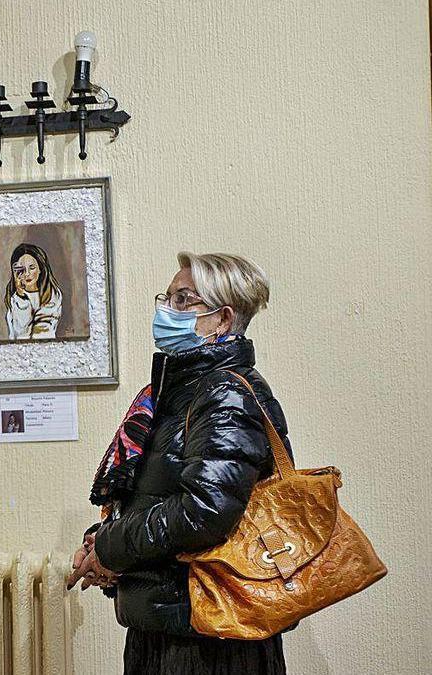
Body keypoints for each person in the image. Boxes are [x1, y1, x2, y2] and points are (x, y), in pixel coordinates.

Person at [68, 252, 292, 675]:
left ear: (223, 319)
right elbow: (155, 499)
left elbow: (203, 512)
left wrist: (112, 549)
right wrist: (104, 543)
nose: (165, 310)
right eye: (166, 297)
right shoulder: (176, 396)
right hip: (169, 629)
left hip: (211, 643)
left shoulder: (225, 394)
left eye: (183, 300)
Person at [4, 243, 63, 340]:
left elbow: (43, 332)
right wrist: (21, 296)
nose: (27, 274)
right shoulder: (16, 298)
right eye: (21, 269)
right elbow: (19, 334)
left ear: (40, 269)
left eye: (32, 268)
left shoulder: (52, 295)